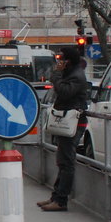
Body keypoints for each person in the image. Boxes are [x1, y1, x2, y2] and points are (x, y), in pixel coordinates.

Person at [38, 46, 89, 211]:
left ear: (68, 61)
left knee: (66, 162)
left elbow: (64, 91)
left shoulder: (76, 76)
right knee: (62, 160)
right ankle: (56, 196)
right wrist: (58, 75)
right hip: (65, 121)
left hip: (72, 123)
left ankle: (61, 200)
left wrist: (57, 75)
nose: (59, 61)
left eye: (62, 59)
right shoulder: (71, 73)